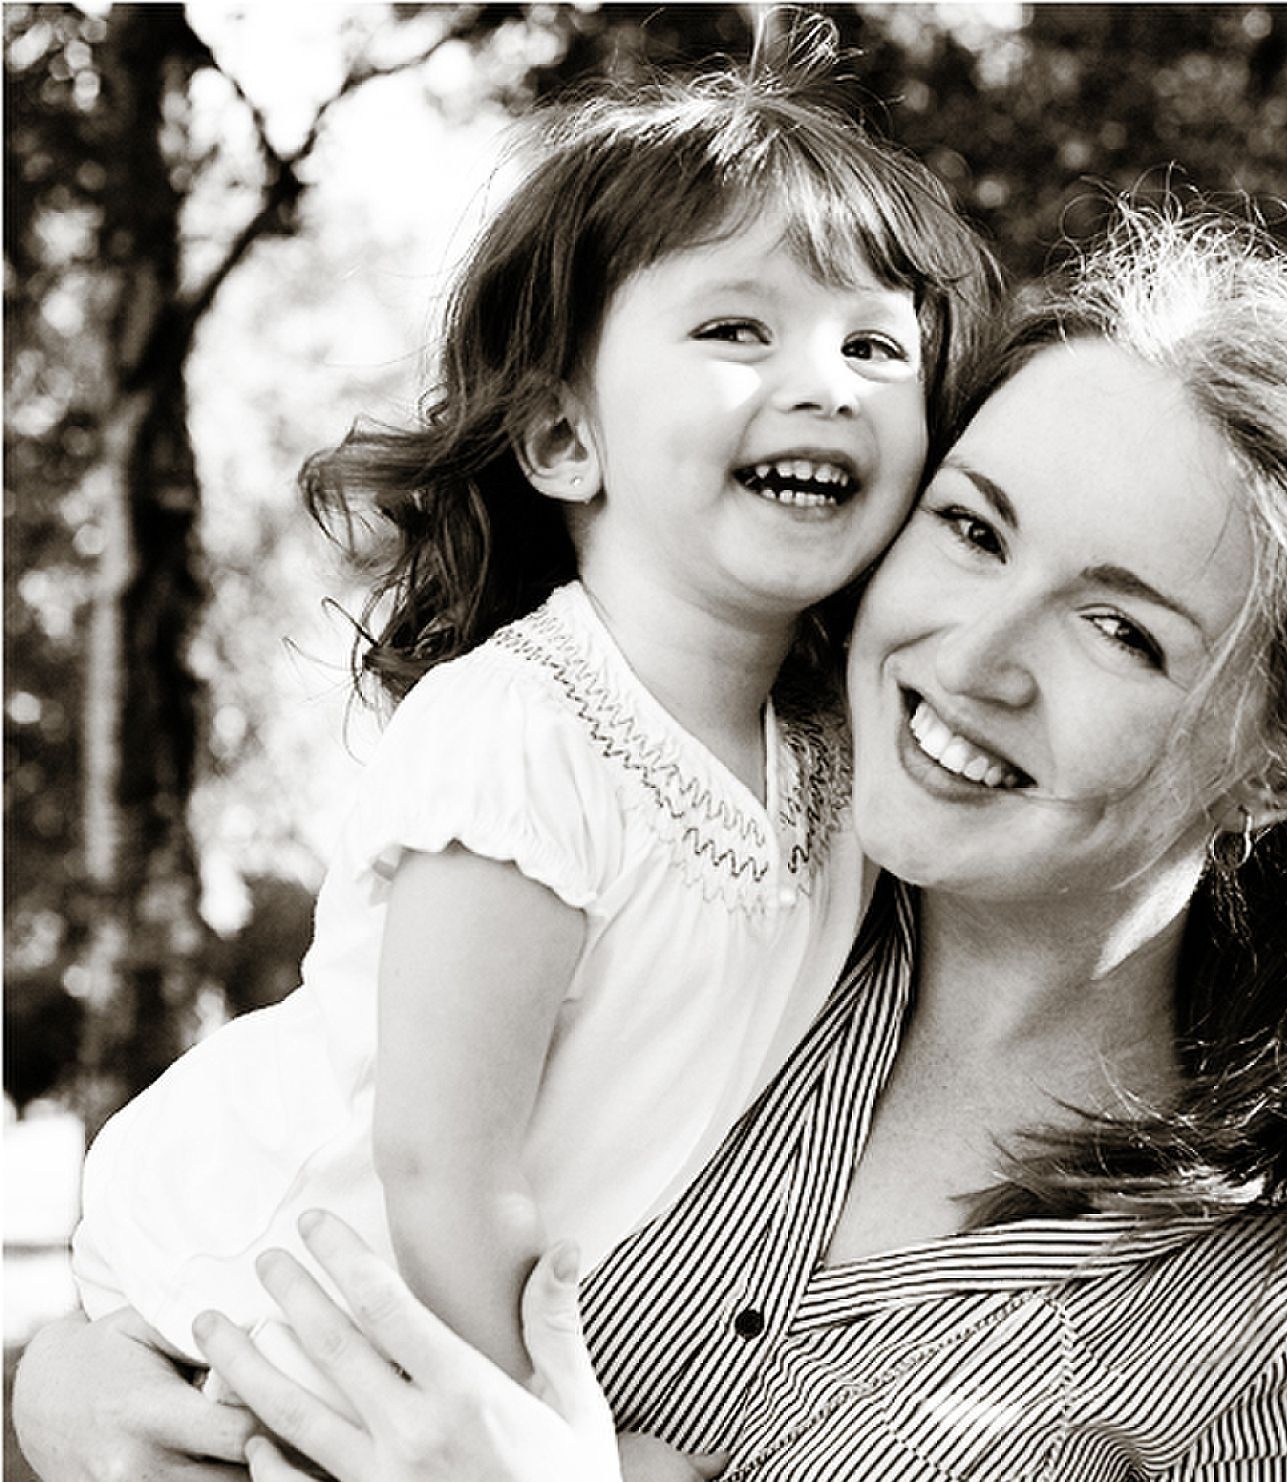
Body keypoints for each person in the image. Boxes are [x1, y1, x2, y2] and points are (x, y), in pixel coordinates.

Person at [18, 202, 1287, 1482]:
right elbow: (299, 1188)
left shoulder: (1277, 1344)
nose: (973, 655)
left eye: (1120, 629)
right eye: (971, 528)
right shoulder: (683, 899)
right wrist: (58, 1401)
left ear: (1280, 772)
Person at [62, 31, 1003, 1398]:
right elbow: (442, 1167)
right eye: (736, 330)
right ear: (566, 439)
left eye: (874, 345)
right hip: (285, 1274)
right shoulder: (524, 737)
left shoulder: (838, 749)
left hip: (463, 1326)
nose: (826, 382)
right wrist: (539, 1444)